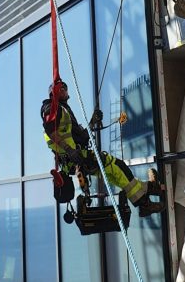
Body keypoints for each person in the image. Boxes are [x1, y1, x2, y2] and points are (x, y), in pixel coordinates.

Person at [41, 80, 163, 217]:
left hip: (75, 158)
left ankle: (151, 188)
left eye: (65, 87)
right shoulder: (51, 107)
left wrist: (93, 122)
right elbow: (51, 130)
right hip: (76, 157)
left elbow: (80, 137)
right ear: (53, 92)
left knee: (116, 175)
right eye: (60, 88)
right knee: (118, 166)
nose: (63, 89)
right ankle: (145, 203)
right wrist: (69, 150)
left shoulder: (64, 110)